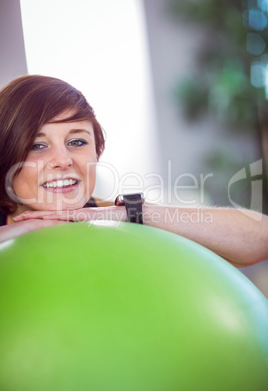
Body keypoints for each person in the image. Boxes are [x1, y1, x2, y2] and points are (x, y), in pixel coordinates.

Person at [0, 75, 267, 267]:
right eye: (37, 145)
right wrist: (25, 231)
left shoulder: (110, 217)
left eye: (77, 141)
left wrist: (132, 212)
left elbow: (260, 237)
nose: (63, 159)